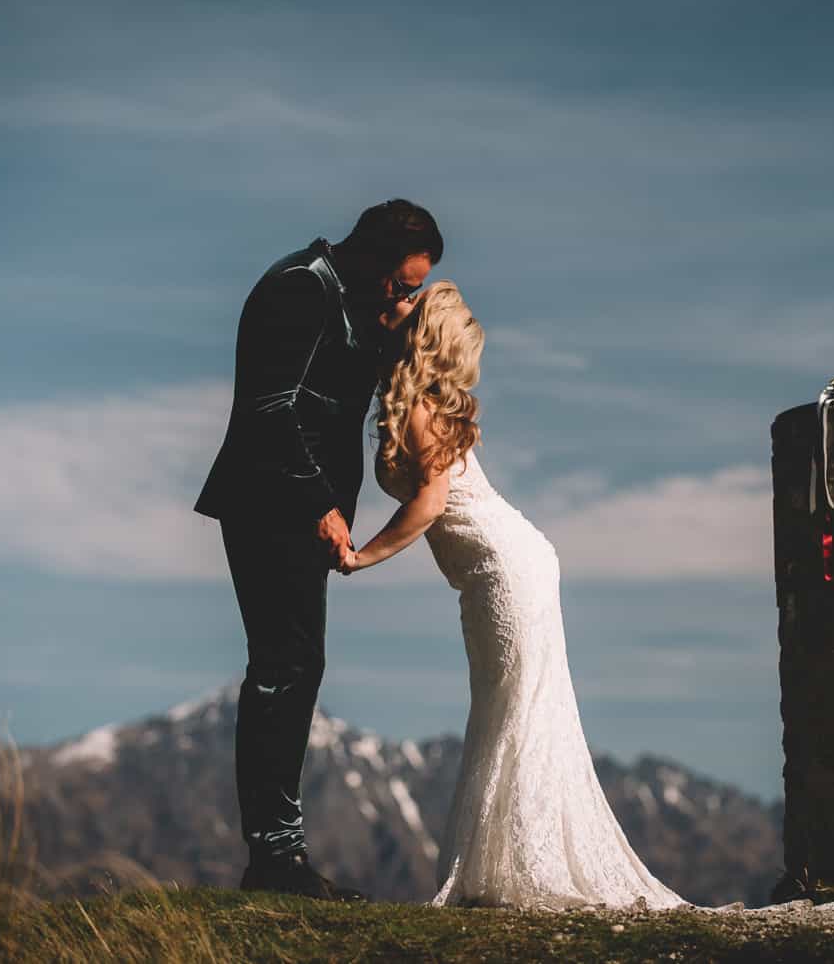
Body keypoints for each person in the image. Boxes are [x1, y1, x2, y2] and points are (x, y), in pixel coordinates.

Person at [339, 282, 687, 909]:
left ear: (420, 333)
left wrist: (364, 555)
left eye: (405, 306)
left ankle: (526, 869)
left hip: (505, 569)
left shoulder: (421, 407)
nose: (390, 305)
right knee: (508, 706)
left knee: (518, 708)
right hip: (500, 568)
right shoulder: (415, 400)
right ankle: (504, 865)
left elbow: (430, 502)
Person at [194, 199, 443, 900]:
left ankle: (277, 856)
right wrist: (320, 505)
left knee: (296, 664)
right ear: (369, 255)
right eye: (400, 283)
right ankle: (274, 860)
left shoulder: (355, 300)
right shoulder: (301, 287)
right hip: (272, 504)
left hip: (301, 511)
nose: (402, 296)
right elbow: (270, 408)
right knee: (283, 665)